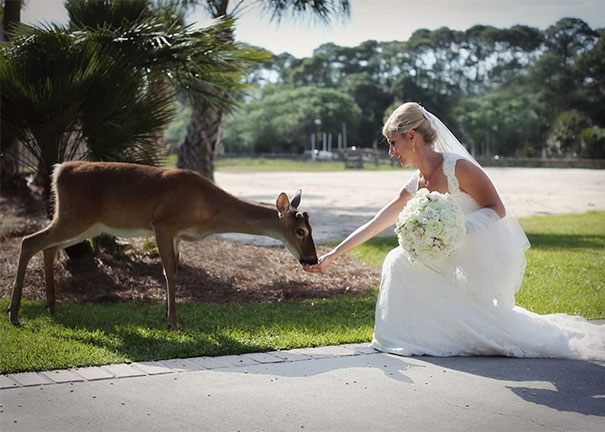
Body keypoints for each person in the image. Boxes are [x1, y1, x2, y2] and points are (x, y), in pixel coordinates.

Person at [304, 102, 604, 360]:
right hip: (442, 255)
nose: (390, 152)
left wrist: (456, 229)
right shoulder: (416, 182)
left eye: (393, 143)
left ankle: (451, 335)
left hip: (472, 254)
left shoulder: (457, 168)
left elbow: (496, 208)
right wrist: (333, 255)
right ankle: (412, 338)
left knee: (399, 261)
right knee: (397, 259)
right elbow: (377, 223)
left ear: (411, 137)